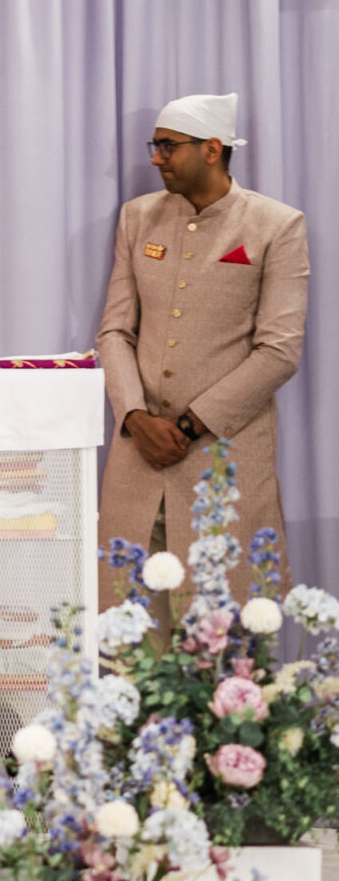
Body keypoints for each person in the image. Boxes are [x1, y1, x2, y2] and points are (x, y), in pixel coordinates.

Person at [96, 94, 309, 604]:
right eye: (156, 145)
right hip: (137, 458)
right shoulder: (137, 217)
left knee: (224, 632)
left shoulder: (276, 226)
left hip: (223, 459)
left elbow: (280, 350)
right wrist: (135, 417)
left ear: (211, 149)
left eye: (168, 146)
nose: (155, 158)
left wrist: (190, 425)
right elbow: (115, 332)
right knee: (133, 637)